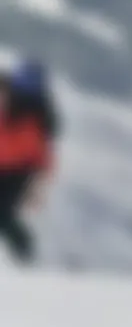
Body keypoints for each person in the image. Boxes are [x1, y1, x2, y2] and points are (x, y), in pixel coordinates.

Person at [0, 60, 55, 266]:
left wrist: (40, 183)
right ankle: (26, 253)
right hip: (16, 168)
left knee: (3, 214)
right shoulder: (33, 114)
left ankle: (26, 254)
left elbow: (39, 153)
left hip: (18, 171)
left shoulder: (35, 119)